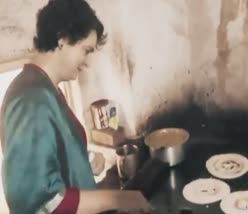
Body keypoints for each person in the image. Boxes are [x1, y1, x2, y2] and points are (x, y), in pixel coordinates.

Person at [0, 0, 152, 213]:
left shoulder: (44, 88)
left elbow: (51, 151)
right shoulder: (31, 100)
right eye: (86, 50)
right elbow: (43, 202)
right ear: (62, 39)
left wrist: (84, 159)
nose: (87, 62)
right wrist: (119, 199)